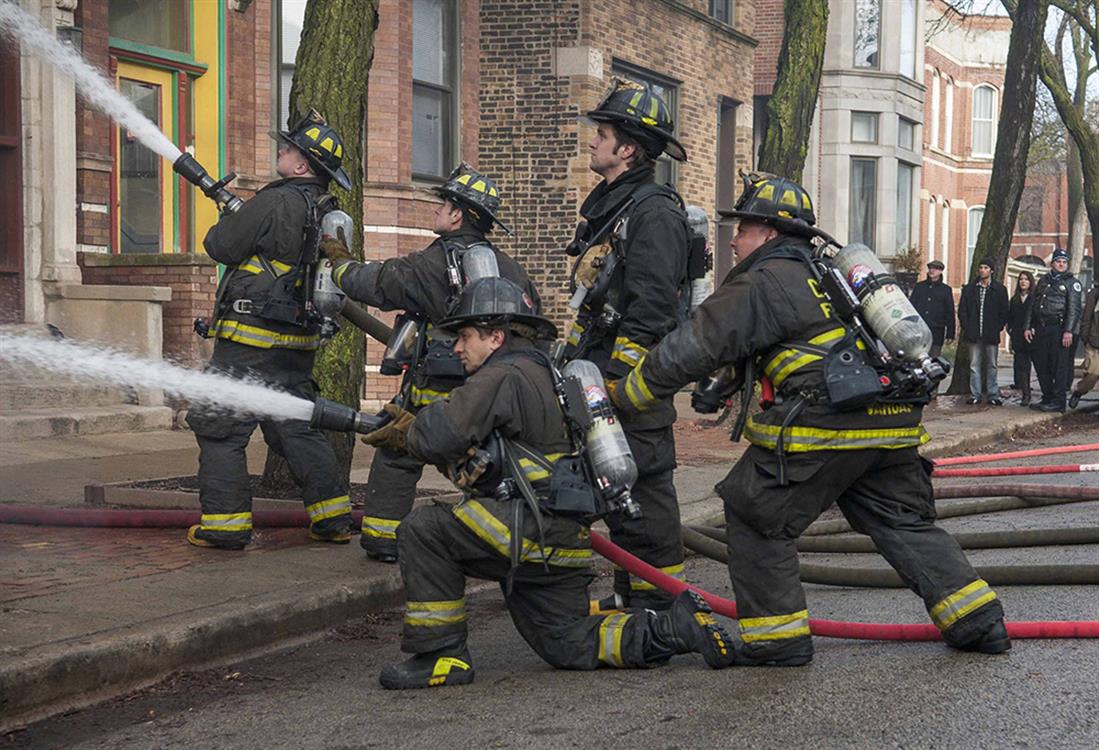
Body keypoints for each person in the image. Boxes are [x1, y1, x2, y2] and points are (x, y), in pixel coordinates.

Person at [608, 173, 1009, 666]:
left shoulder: (762, 279)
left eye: (743, 228)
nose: (733, 239)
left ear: (770, 233)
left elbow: (695, 345)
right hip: (891, 423)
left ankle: (777, 639)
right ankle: (978, 620)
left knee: (755, 515)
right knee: (901, 521)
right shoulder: (829, 274)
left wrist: (627, 395)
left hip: (825, 425)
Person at [357, 277, 734, 689]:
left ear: (496, 336)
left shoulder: (502, 375)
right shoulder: (544, 371)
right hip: (562, 540)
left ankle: (439, 655)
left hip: (524, 530)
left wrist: (407, 431)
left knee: (424, 531)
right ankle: (673, 629)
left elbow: (441, 433)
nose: (457, 347)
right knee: (568, 643)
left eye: (465, 336)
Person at [320, 163, 540, 563]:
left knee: (399, 452)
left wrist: (338, 261)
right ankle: (502, 535)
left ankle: (383, 539)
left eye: (442, 204)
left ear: (457, 215)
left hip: (435, 387)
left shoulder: (431, 262)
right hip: (492, 388)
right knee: (486, 460)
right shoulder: (511, 269)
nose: (435, 209)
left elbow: (375, 284)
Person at [186, 110, 353, 550]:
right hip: (298, 343)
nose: (282, 150)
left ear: (302, 165)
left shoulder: (275, 199)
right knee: (295, 424)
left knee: (219, 425)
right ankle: (333, 518)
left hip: (249, 342)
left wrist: (229, 218)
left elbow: (222, 245)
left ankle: (225, 527)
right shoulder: (328, 210)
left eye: (290, 148)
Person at [564, 78, 692, 611]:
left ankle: (660, 606)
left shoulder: (654, 212)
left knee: (643, 489)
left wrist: (620, 378)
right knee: (616, 485)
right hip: (598, 371)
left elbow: (653, 303)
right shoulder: (620, 206)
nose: (592, 141)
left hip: (627, 381)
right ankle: (636, 597)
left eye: (603, 133)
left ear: (629, 148)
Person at [1025, 248, 1083, 412]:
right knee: (1042, 364)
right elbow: (1033, 304)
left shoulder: (1072, 283)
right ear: (1053, 263)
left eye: (1064, 262)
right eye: (1058, 261)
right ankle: (1047, 397)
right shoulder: (1044, 280)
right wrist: (1028, 326)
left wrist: (1068, 331)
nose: (1061, 264)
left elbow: (1074, 310)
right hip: (1041, 328)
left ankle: (1058, 401)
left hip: (1059, 329)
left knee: (1059, 366)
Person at [957, 258, 1009, 406]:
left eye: (986, 267)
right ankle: (975, 394)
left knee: (992, 364)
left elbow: (1004, 311)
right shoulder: (970, 289)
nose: (982, 270)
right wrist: (967, 325)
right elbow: (963, 310)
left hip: (991, 334)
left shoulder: (999, 289)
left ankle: (992, 394)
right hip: (974, 334)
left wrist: (998, 326)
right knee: (974, 365)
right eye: (981, 267)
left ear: (991, 271)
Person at [908, 259, 956, 358]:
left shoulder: (946, 290)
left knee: (934, 358)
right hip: (920, 329)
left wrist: (950, 333)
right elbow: (911, 306)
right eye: (930, 268)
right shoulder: (919, 287)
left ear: (940, 271)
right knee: (917, 357)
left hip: (937, 330)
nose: (932, 271)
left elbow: (949, 312)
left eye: (935, 269)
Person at [1007, 270, 1037, 406]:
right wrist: (1011, 330)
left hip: (1033, 337)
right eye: (1021, 279)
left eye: (1026, 279)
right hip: (1018, 337)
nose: (1023, 282)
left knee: (1039, 366)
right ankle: (1026, 394)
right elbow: (1010, 318)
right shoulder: (1014, 299)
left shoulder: (1035, 298)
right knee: (1022, 367)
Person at [1068, 281, 1099, 409]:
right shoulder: (1095, 293)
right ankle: (1079, 391)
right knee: (1092, 375)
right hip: (1095, 342)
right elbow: (1086, 316)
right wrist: (1086, 338)